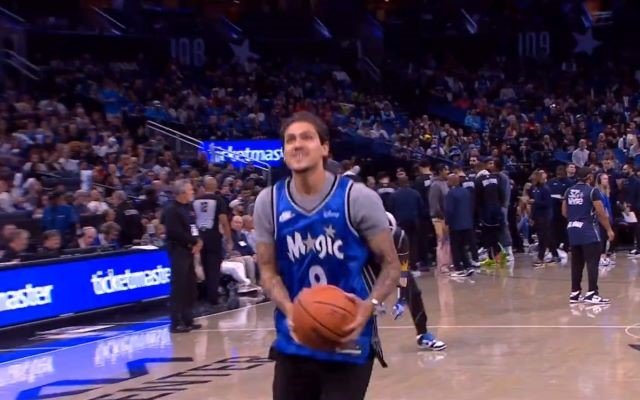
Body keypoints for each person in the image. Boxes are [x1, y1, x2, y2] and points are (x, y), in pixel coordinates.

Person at [253, 111, 401, 400]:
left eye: (306, 137)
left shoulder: (357, 198)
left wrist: (368, 307)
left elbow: (391, 266)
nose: (297, 144)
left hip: (348, 337)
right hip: (296, 339)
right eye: (290, 140)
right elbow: (268, 272)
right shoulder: (268, 202)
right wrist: (292, 311)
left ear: (324, 147)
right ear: (283, 151)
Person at [385, 212, 447, 350]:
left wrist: (402, 298)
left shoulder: (400, 237)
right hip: (369, 265)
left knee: (413, 293)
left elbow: (403, 270)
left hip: (392, 264)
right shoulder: (365, 238)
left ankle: (422, 334)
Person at [562, 168, 613, 305]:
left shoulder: (568, 191)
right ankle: (592, 293)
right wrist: (609, 230)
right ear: (589, 177)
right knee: (592, 262)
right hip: (588, 231)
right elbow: (601, 213)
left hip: (572, 230)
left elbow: (564, 212)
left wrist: (576, 215)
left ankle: (575, 293)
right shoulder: (592, 191)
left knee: (576, 263)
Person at [161, 179, 203, 333]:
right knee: (179, 286)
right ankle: (176, 322)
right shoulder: (171, 210)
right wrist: (193, 241)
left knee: (190, 285)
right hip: (178, 250)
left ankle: (188, 319)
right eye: (190, 190)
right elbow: (174, 232)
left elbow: (193, 227)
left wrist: (198, 241)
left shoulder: (188, 208)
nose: (192, 192)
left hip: (190, 250)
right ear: (182, 193)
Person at [193, 176, 232, 305]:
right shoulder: (218, 200)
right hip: (213, 237)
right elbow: (224, 221)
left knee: (205, 265)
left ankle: (207, 295)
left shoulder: (195, 200)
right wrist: (229, 239)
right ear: (215, 186)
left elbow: (193, 219)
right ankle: (213, 298)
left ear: (204, 187)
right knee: (214, 267)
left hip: (199, 237)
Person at [444, 174, 475, 277]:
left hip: (456, 224)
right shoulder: (466, 192)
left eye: (448, 180)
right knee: (463, 247)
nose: (447, 182)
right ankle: (468, 266)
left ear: (452, 181)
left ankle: (459, 269)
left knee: (455, 247)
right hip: (467, 223)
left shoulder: (451, 193)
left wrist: (446, 223)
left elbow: (449, 210)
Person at [595, 173, 615, 267]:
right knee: (602, 237)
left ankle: (605, 256)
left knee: (607, 238)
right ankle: (600, 257)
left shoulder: (606, 192)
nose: (606, 181)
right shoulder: (597, 193)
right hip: (601, 219)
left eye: (607, 179)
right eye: (604, 179)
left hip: (608, 217)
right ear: (599, 180)